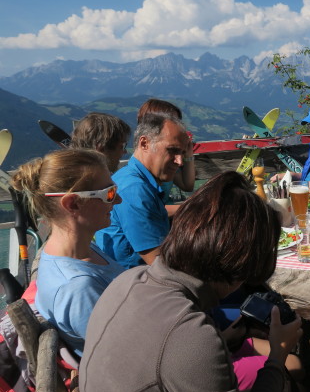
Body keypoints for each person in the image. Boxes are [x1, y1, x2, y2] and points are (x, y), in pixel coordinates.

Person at [80, 171, 310, 392]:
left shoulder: (128, 281)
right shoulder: (191, 338)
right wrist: (277, 355)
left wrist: (226, 338)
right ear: (241, 269)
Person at [11, 149, 125, 357]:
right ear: (73, 204)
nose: (118, 201)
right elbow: (122, 355)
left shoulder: (76, 251)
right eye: (109, 193)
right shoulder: (78, 288)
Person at [95, 113, 190, 269]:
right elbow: (162, 267)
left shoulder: (131, 178)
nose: (179, 162)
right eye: (172, 150)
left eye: (183, 153)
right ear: (144, 143)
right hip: (137, 281)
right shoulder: (135, 190)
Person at [137, 98, 195, 217]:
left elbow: (187, 185)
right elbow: (149, 209)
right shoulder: (141, 176)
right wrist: (193, 208)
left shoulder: (168, 162)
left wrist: (187, 154)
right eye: (172, 120)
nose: (177, 125)